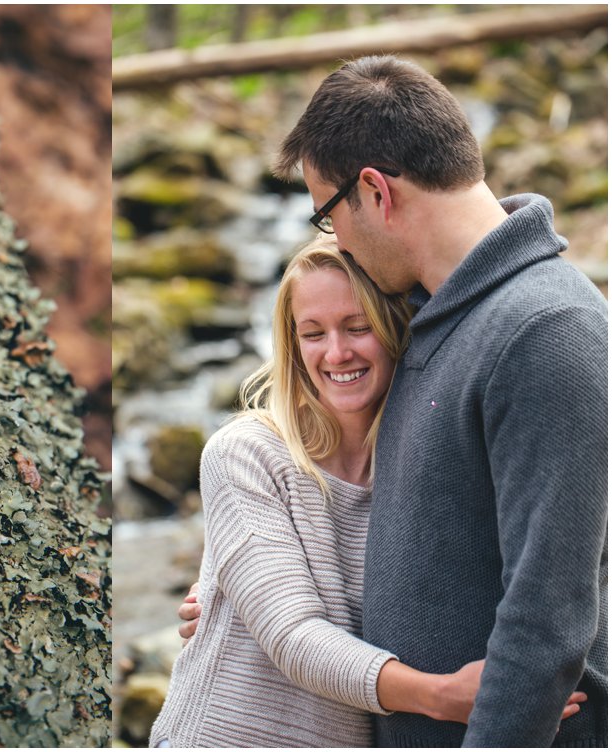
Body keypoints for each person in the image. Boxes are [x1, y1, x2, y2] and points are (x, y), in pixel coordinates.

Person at [180, 55, 608, 747]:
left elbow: (548, 617)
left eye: (327, 212)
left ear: (374, 191)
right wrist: (235, 601)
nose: (335, 239)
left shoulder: (545, 328)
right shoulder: (433, 319)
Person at [148, 237, 585, 747]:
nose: (336, 353)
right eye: (313, 334)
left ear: (395, 328)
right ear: (292, 346)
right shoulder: (244, 454)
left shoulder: (426, 467)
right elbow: (292, 637)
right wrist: (444, 695)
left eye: (358, 327)